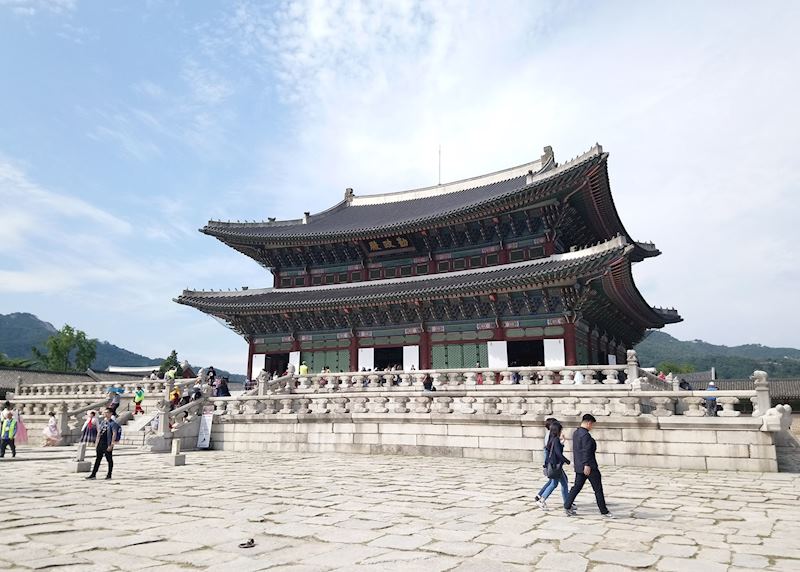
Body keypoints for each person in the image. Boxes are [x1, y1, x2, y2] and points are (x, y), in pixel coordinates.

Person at [564, 414, 610, 517]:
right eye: (592, 424)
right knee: (598, 489)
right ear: (589, 423)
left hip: (579, 466)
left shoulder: (576, 433)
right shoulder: (585, 435)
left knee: (577, 487)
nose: (592, 426)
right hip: (589, 466)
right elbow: (586, 451)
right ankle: (604, 511)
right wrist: (586, 464)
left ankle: (567, 505)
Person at [537, 422, 571, 510]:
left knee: (562, 483)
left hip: (554, 465)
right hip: (556, 466)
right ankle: (542, 500)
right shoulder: (555, 440)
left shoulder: (552, 439)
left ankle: (567, 503)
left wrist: (562, 443)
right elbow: (558, 454)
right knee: (556, 484)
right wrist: (567, 461)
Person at [86, 408, 121, 480]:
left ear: (111, 413)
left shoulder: (113, 424)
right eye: (104, 412)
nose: (105, 414)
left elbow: (114, 434)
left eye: (107, 412)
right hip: (100, 443)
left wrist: (111, 444)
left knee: (109, 459)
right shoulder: (102, 422)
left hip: (107, 443)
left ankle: (109, 475)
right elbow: (99, 432)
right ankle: (93, 474)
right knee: (98, 459)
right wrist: (96, 442)